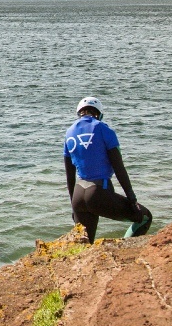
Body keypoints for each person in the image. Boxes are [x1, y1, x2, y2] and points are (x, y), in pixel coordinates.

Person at [63, 96, 153, 242]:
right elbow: (119, 168)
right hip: (98, 193)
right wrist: (132, 199)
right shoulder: (102, 128)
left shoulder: (69, 133)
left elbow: (69, 175)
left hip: (78, 195)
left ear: (79, 112)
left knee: (85, 245)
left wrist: (73, 206)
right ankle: (125, 249)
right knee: (144, 217)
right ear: (99, 113)